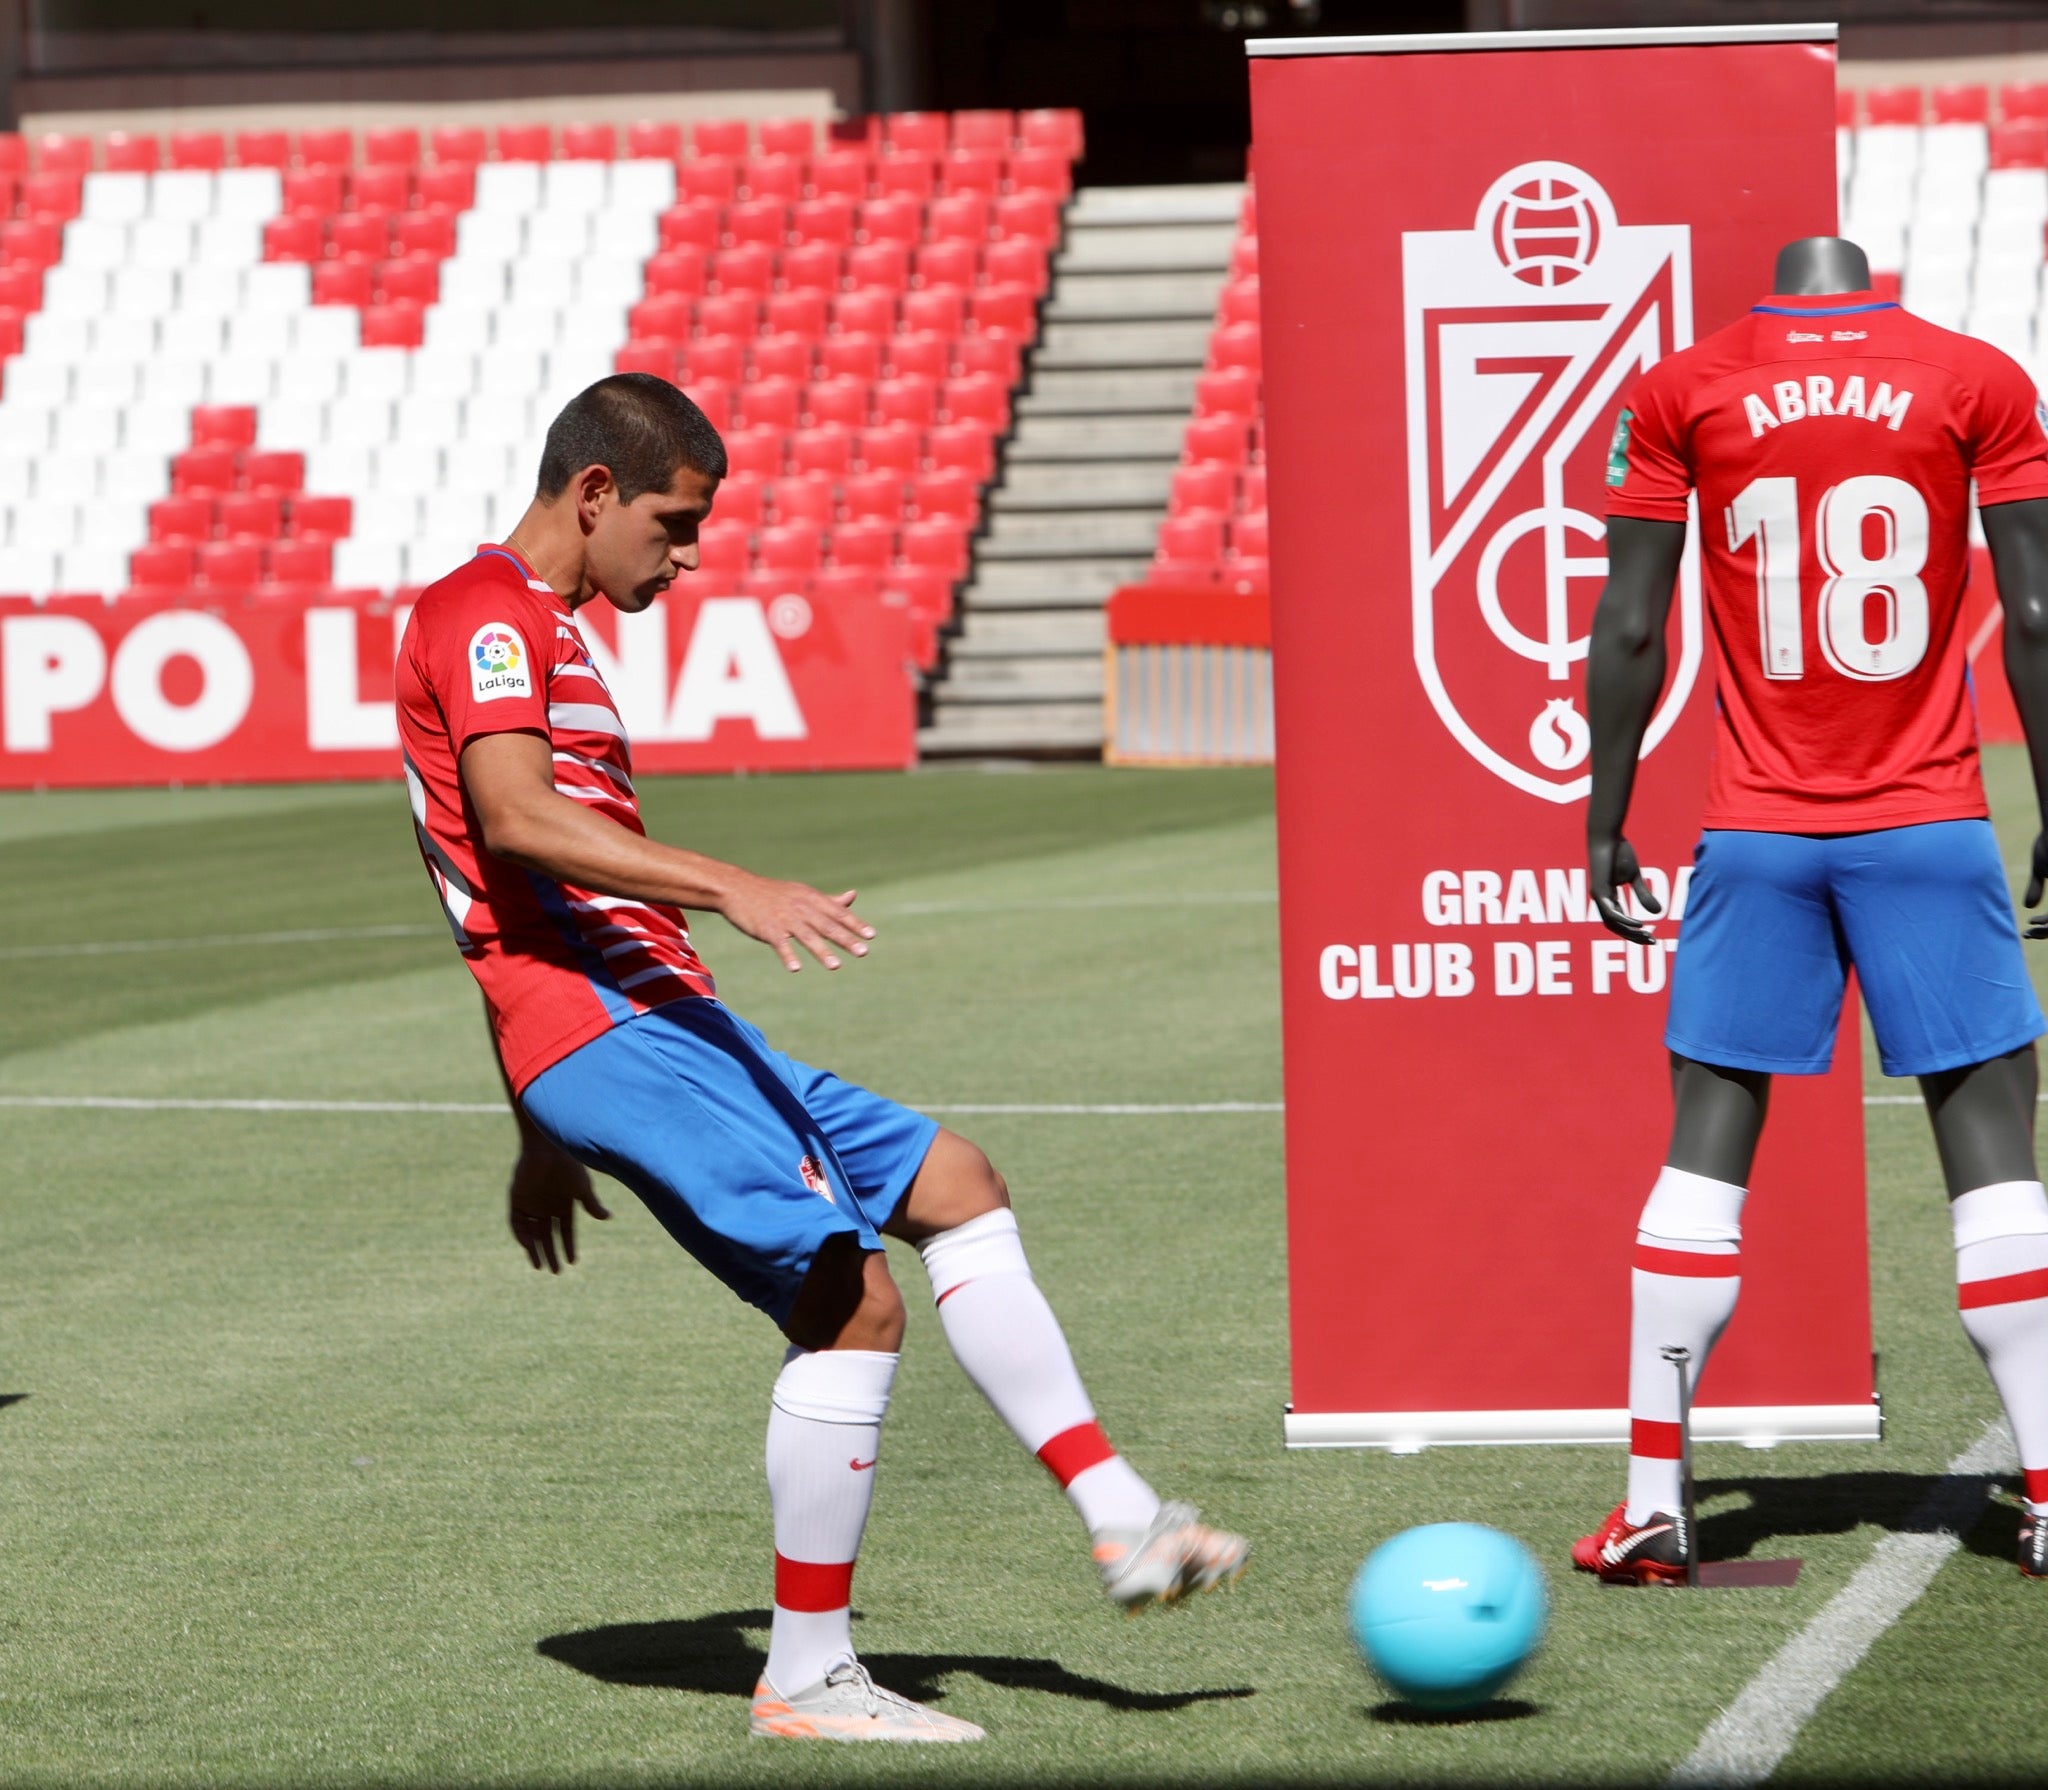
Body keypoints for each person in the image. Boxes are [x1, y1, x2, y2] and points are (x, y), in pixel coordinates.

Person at [393, 373, 1247, 1741]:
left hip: (658, 1019)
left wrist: (534, 1130)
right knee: (851, 1305)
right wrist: (731, 885)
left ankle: (1124, 1517)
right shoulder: (487, 614)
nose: (684, 555)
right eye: (673, 525)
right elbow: (509, 824)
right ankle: (806, 1672)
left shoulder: (538, 626)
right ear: (594, 492)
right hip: (612, 1025)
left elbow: (491, 879)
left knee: (956, 1180)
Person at [1579, 238, 2048, 1584]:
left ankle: (1655, 1499)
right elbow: (2039, 609)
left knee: (1701, 1153)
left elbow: (1628, 627)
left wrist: (1604, 814)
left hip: (1761, 833)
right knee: (1997, 1158)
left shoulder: (1684, 387)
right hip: (1930, 825)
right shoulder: (1975, 379)